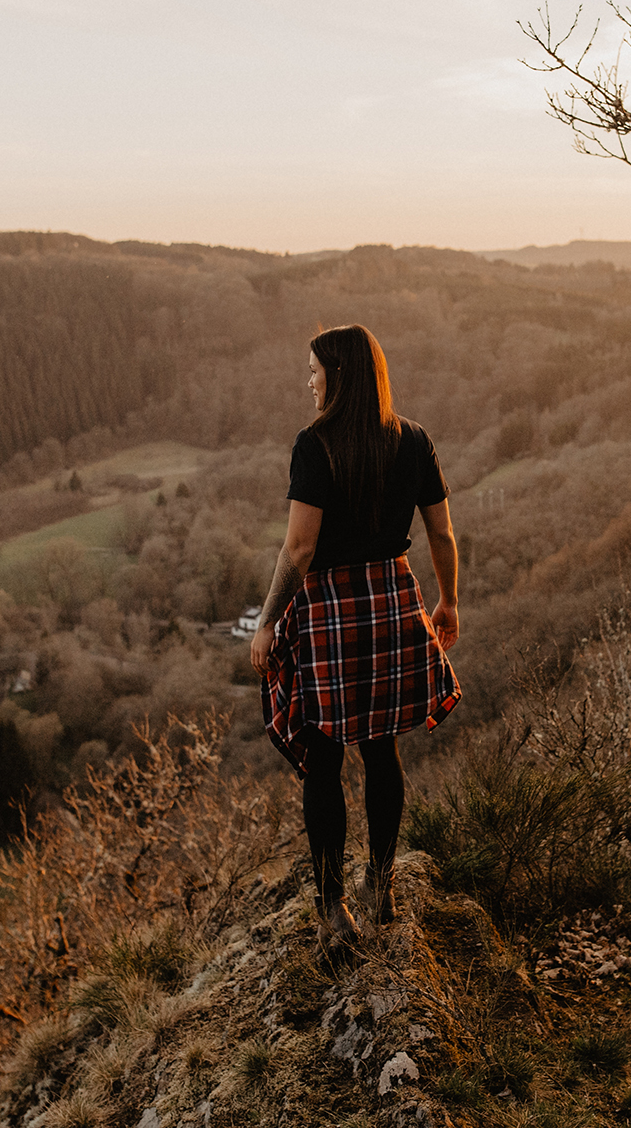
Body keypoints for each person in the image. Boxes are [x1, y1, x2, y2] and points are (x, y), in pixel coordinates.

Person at [251, 324, 461, 946]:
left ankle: (331, 909)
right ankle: (381, 880)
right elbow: (442, 535)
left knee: (322, 760)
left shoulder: (314, 446)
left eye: (314, 370)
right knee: (381, 750)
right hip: (393, 600)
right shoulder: (413, 440)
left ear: (338, 377)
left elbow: (299, 547)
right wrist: (447, 600)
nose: (308, 381)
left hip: (329, 609)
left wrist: (266, 622)